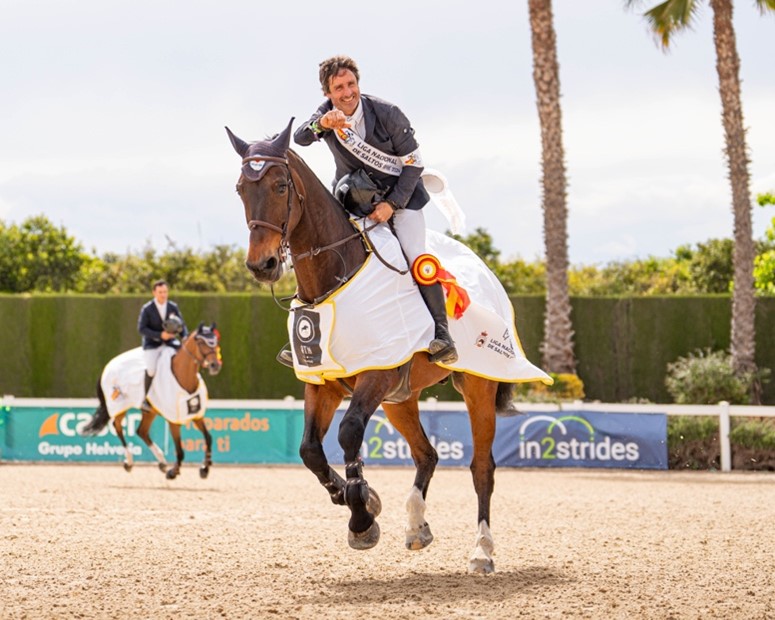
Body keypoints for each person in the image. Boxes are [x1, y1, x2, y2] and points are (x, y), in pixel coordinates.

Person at [291, 54, 458, 365]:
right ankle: (311, 331)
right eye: (338, 87)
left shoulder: (387, 113)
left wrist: (391, 205)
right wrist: (321, 123)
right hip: (354, 200)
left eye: (351, 84)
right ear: (328, 93)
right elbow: (300, 137)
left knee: (415, 257)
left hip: (402, 199)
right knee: (325, 251)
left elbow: (414, 164)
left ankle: (442, 334)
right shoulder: (326, 114)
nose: (347, 92)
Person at [137, 280, 188, 410]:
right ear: (154, 293)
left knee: (184, 359)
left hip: (170, 342)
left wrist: (185, 337)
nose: (163, 295)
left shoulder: (172, 307)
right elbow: (141, 329)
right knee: (151, 369)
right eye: (160, 292)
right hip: (152, 344)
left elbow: (182, 325)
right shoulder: (147, 309)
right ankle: (145, 398)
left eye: (165, 292)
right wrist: (160, 335)